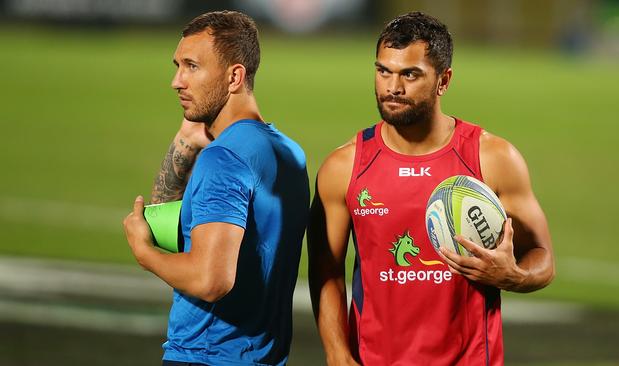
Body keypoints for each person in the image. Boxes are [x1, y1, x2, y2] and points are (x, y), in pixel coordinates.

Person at [308, 11, 555, 366]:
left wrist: (513, 276)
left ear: (444, 80)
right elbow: (325, 268)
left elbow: (543, 256)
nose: (392, 87)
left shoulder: (493, 157)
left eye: (410, 74)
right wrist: (336, 353)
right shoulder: (344, 167)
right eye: (383, 71)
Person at [123, 11, 310, 366]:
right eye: (177, 65)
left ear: (234, 76)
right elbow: (175, 232)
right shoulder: (290, 152)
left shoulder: (223, 159)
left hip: (205, 356)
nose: (176, 81)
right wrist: (186, 141)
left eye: (192, 67)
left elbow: (211, 280)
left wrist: (144, 253)